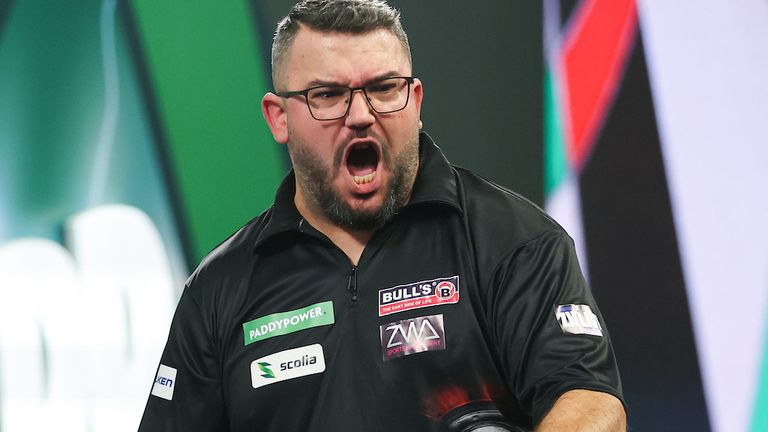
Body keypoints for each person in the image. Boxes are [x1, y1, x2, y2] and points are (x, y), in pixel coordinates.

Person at [139, 1, 626, 431]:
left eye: (383, 88)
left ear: (414, 100)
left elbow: (589, 402)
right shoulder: (219, 289)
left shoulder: (513, 241)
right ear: (278, 117)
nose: (360, 114)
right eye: (327, 95)